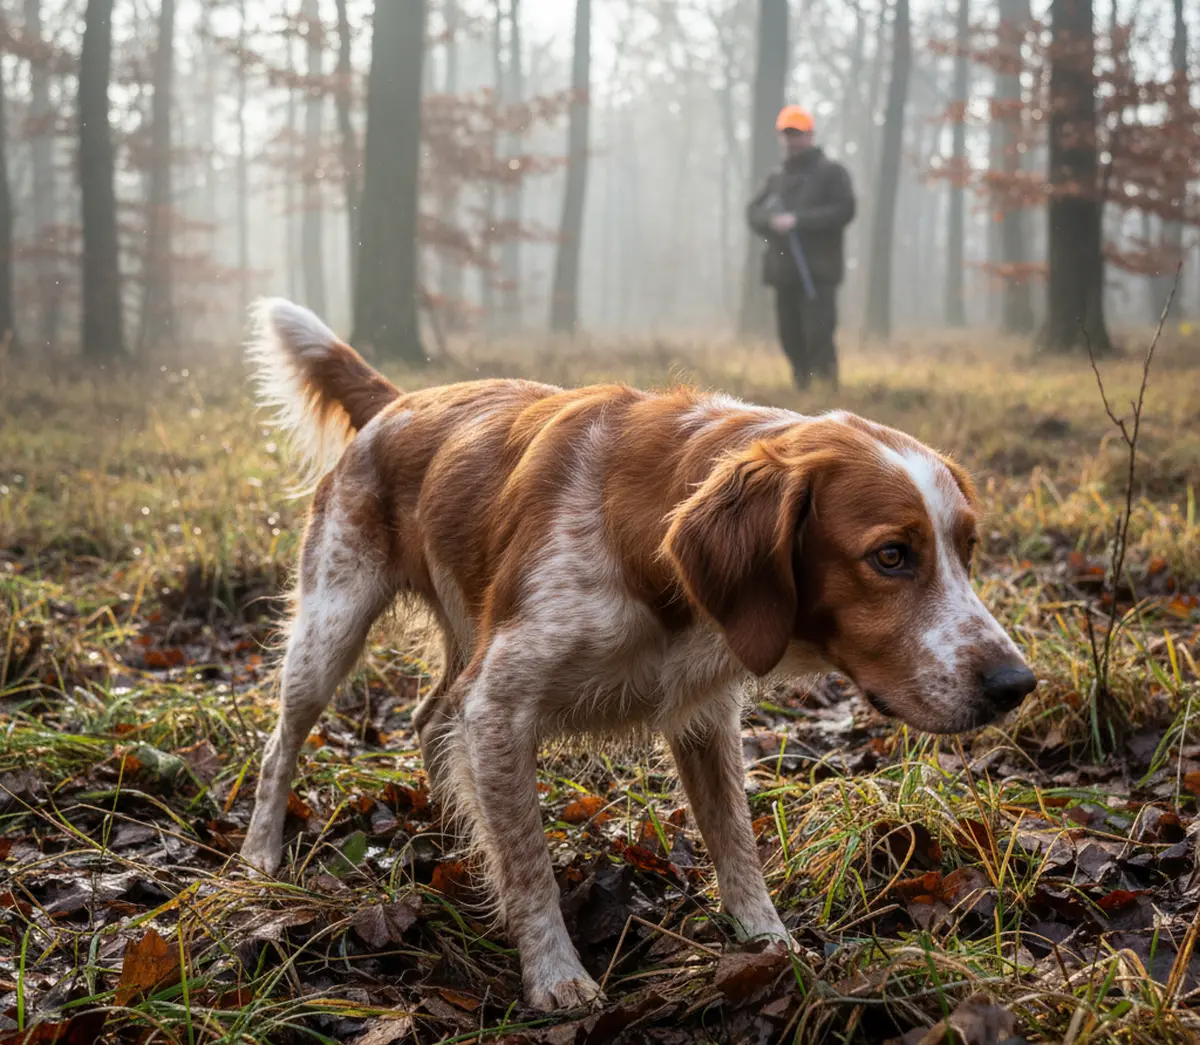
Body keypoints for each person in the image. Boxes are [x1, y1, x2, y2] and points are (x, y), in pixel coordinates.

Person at [747, 105, 856, 389]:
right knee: (789, 336)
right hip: (784, 272)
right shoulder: (776, 179)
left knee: (818, 335)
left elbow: (844, 210)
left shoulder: (831, 173)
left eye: (796, 133)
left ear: (810, 134)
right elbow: (752, 213)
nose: (792, 140)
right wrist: (772, 221)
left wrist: (799, 221)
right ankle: (802, 389)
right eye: (787, 134)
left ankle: (827, 392)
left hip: (817, 274)